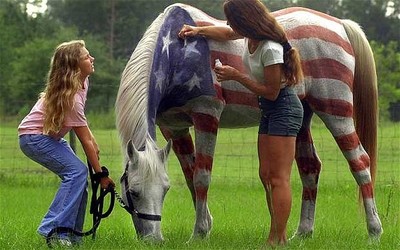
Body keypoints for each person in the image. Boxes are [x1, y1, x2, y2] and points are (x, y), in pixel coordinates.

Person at [179, 0, 304, 246]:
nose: (229, 23)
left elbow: (271, 92)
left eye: (232, 19)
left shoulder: (270, 48)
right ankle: (276, 235)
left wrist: (236, 76)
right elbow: (227, 33)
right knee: (265, 174)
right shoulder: (250, 36)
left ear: (246, 19)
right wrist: (198, 30)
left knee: (278, 177)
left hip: (283, 108)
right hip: (269, 110)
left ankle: (277, 238)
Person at [18, 40, 115, 246]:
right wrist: (101, 175)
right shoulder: (72, 98)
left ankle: (71, 235)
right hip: (33, 138)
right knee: (77, 173)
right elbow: (84, 140)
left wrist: (94, 143)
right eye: (87, 57)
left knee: (79, 179)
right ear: (75, 66)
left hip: (49, 137)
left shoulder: (82, 82)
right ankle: (54, 230)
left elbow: (85, 130)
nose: (92, 58)